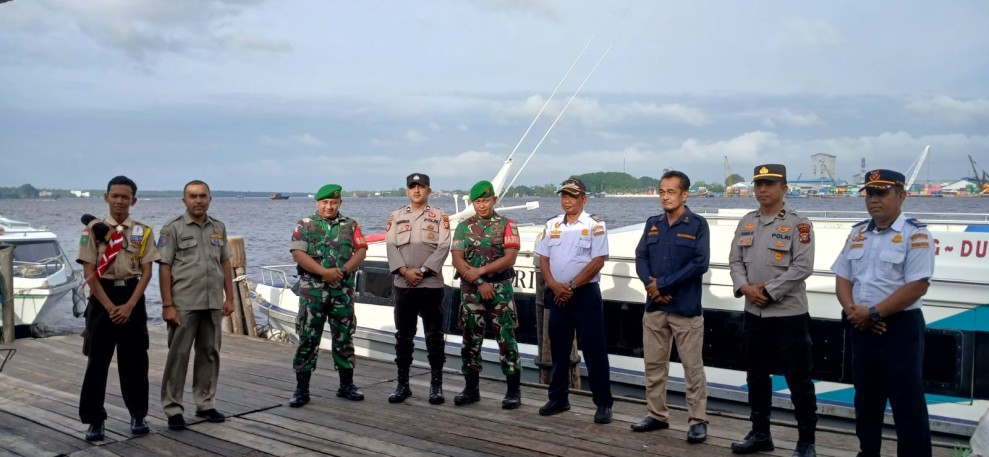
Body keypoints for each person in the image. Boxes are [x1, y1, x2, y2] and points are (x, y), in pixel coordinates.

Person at [831, 169, 934, 457]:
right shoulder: (858, 233)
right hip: (861, 325)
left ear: (901, 196)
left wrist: (874, 313)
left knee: (907, 404)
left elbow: (917, 286)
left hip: (899, 328)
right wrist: (854, 312)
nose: (874, 199)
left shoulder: (916, 234)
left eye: (882, 192)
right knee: (866, 400)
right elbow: (843, 277)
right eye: (869, 193)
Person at [728, 164, 818, 457]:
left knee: (798, 379)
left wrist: (767, 292)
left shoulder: (799, 224)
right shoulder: (746, 221)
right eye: (759, 184)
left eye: (769, 184)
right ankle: (760, 433)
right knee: (756, 375)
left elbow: (803, 267)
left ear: (784, 188)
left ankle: (806, 441)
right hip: (754, 314)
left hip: (788, 315)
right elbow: (735, 261)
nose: (763, 189)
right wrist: (745, 288)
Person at [76, 175, 160, 441]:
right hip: (103, 297)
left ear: (134, 200)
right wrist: (111, 307)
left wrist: (130, 305)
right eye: (115, 196)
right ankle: (94, 420)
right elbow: (89, 271)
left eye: (126, 197)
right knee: (97, 361)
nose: (120, 201)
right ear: (106, 198)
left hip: (132, 296)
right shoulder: (93, 230)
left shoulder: (143, 231)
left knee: (135, 360)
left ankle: (138, 414)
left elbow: (147, 271)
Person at [632, 170, 710, 443]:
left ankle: (698, 420)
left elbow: (700, 263)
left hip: (685, 308)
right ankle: (656, 414)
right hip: (655, 308)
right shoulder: (653, 223)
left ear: (684, 195)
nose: (665, 197)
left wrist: (663, 285)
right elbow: (640, 257)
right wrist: (650, 285)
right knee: (653, 365)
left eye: (671, 192)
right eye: (662, 192)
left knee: (692, 368)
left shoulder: (697, 225)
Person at [534, 177, 614, 424]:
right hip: (557, 294)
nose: (567, 200)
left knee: (594, 350)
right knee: (558, 349)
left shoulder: (594, 225)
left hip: (584, 295)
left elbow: (598, 261)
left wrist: (571, 285)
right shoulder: (552, 225)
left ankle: (603, 403)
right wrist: (553, 285)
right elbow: (544, 259)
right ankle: (558, 398)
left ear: (584, 199)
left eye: (572, 196)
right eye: (564, 195)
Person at [158, 180, 235, 431]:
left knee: (210, 353)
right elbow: (165, 267)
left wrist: (230, 298)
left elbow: (225, 262)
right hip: (184, 303)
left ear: (210, 199)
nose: (198, 200)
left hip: (212, 302)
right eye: (193, 196)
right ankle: (173, 408)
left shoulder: (218, 227)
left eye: (202, 196)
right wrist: (167, 305)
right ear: (184, 201)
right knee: (178, 356)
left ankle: (205, 403)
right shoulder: (172, 228)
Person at [287, 184, 368, 407]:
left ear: (340, 203)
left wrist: (343, 270)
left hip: (342, 292)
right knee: (308, 337)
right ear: (318, 203)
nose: (329, 206)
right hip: (313, 293)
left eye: (333, 202)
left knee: (344, 337)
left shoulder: (350, 225)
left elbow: (361, 250)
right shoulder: (305, 225)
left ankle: (346, 385)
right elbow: (298, 253)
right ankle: (302, 389)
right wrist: (323, 272)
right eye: (325, 202)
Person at [450, 180, 522, 408]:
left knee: (506, 339)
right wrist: (479, 281)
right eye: (478, 202)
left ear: (494, 200)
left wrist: (481, 272)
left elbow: (510, 258)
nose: (482, 205)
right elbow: (457, 259)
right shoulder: (463, 227)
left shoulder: (508, 225)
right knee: (470, 340)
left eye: (486, 200)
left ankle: (513, 391)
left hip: (500, 290)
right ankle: (471, 389)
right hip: (472, 291)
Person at [385, 173, 452, 404]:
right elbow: (390, 245)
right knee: (404, 336)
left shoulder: (440, 216)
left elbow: (444, 246)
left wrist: (422, 271)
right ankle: (402, 385)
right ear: (407, 191)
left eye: (421, 187)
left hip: (430, 284)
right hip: (403, 284)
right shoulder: (396, 216)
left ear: (428, 191)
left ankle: (436, 387)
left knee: (434, 336)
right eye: (412, 187)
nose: (416, 191)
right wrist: (405, 271)